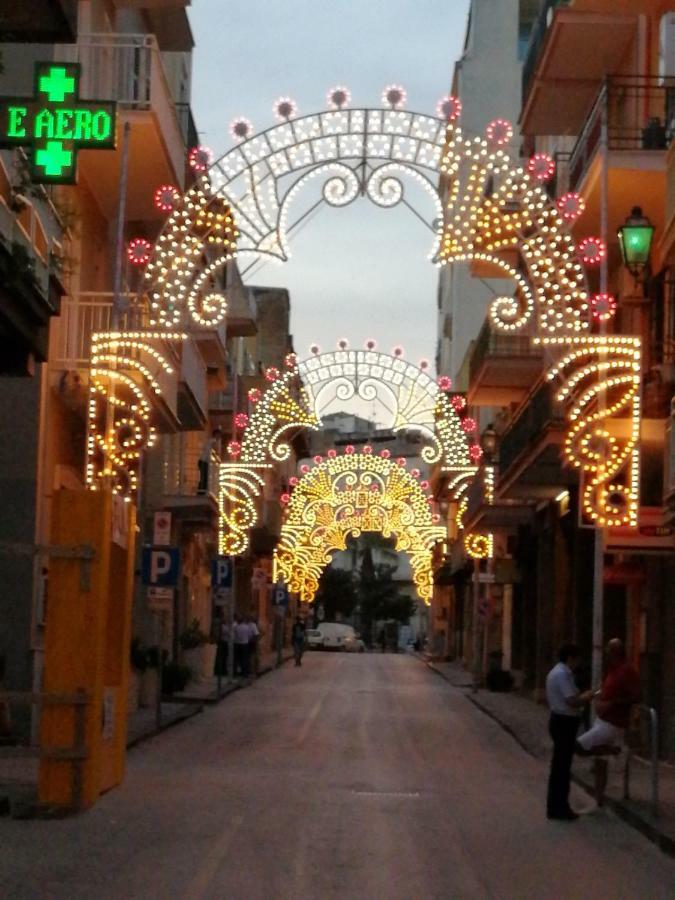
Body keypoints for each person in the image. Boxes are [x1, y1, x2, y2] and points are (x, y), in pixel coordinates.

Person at [576, 638, 641, 806]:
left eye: (609, 650)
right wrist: (597, 695)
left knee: (579, 746)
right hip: (603, 720)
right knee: (600, 762)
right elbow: (608, 690)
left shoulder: (627, 671)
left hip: (613, 723)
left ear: (616, 652)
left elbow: (635, 696)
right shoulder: (613, 670)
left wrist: (612, 703)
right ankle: (598, 799)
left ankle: (616, 750)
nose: (606, 653)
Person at [545, 643, 593, 821]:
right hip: (564, 722)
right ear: (571, 658)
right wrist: (587, 697)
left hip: (559, 720)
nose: (578, 663)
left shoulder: (557, 672)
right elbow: (571, 701)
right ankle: (560, 808)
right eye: (577, 659)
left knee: (559, 766)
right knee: (562, 768)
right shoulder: (562, 674)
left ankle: (555, 806)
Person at [198, 428, 221, 493]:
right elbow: (215, 450)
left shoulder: (210, 441)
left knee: (204, 477)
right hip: (203, 461)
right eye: (218, 435)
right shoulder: (213, 441)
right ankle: (202, 491)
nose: (219, 437)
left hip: (203, 461)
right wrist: (217, 456)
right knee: (204, 477)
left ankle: (202, 491)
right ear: (216, 434)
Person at [233, 614, 251, 678]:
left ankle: (235, 673)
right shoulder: (247, 627)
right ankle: (244, 673)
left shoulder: (236, 627)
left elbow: (234, 635)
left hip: (237, 644)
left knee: (236, 659)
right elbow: (250, 635)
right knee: (244, 659)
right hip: (245, 644)